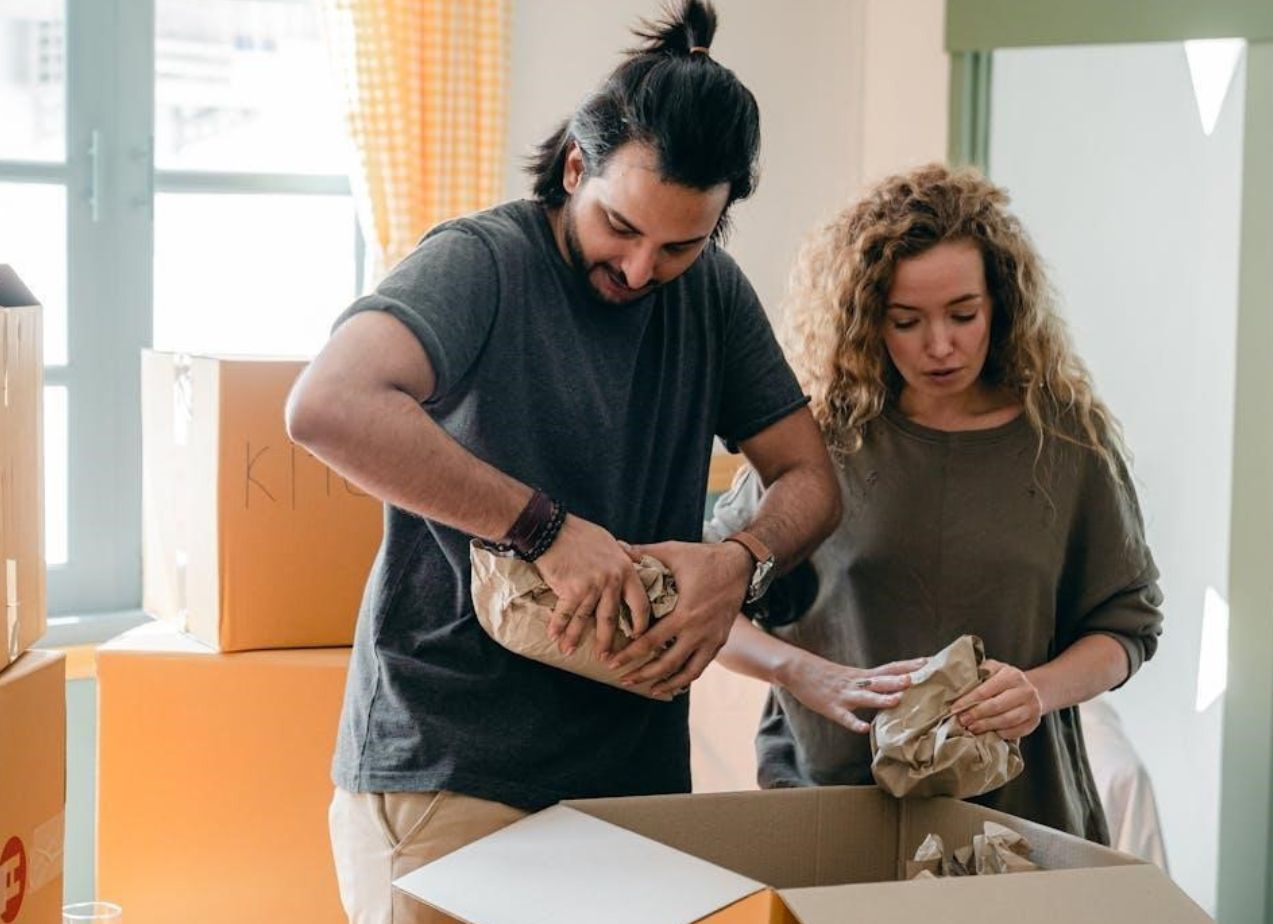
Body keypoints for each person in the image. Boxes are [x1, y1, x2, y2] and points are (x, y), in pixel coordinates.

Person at [284, 3, 842, 920]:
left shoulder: (712, 295)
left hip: (632, 784)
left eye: (678, 244)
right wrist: (542, 528)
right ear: (577, 167)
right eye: (619, 227)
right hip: (451, 773)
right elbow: (329, 405)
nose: (637, 269)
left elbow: (812, 481)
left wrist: (738, 563)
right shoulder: (482, 264)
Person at [710, 164, 1165, 842]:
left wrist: (1037, 690)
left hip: (1015, 811)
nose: (941, 345)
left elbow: (1127, 626)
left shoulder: (1067, 444)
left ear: (1001, 305)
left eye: (963, 314)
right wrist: (805, 673)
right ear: (868, 320)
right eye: (907, 321)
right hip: (831, 806)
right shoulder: (821, 444)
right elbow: (706, 604)